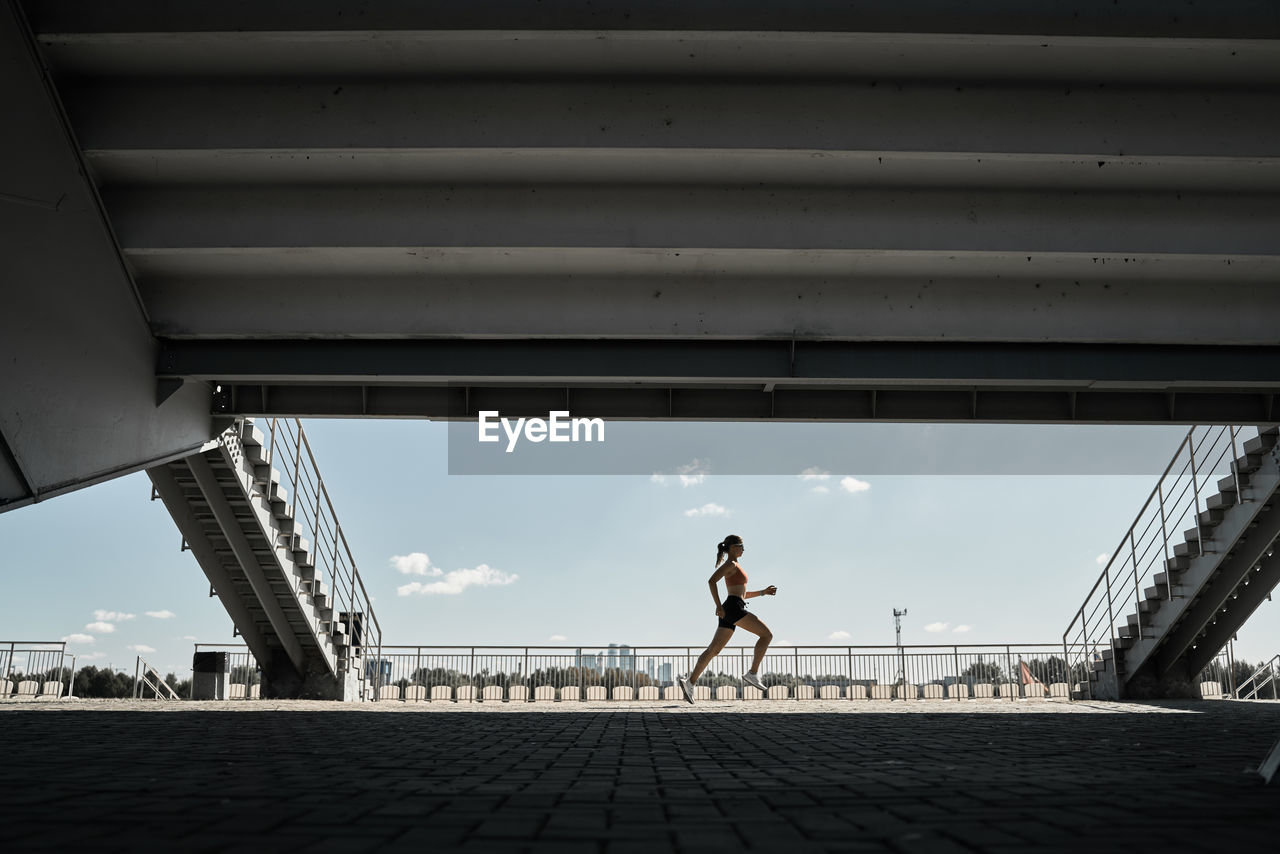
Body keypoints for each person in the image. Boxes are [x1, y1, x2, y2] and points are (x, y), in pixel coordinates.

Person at [677, 534, 777, 703]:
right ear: (732, 547)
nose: (743, 550)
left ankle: (690, 682)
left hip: (733, 606)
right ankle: (752, 673)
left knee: (714, 650)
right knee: (766, 635)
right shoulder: (730, 564)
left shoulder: (736, 565)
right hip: (732, 607)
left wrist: (763, 592)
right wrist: (718, 606)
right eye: (741, 546)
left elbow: (743, 594)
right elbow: (711, 581)